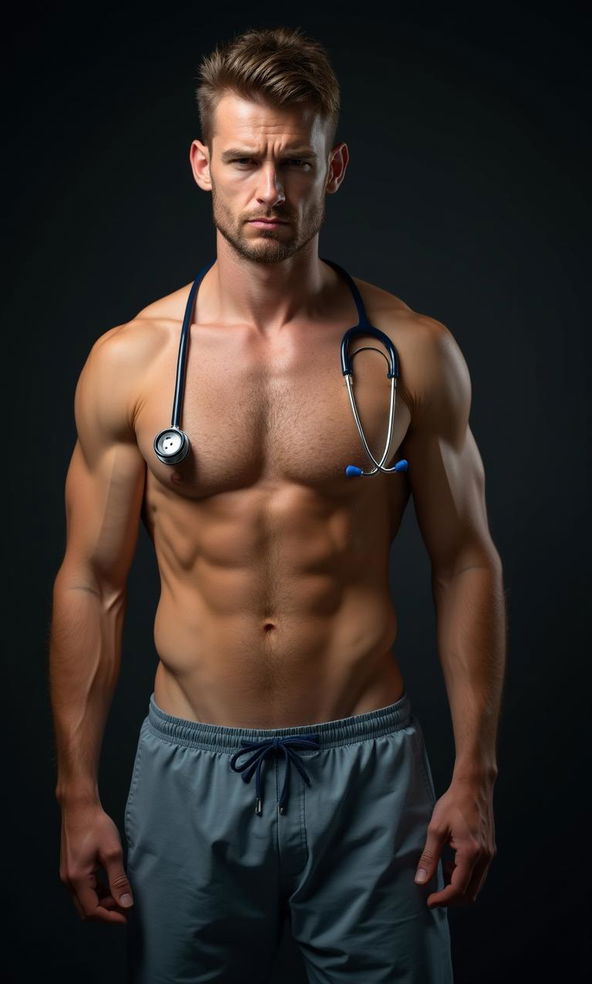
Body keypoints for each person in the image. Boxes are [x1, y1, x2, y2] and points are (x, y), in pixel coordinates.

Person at [49, 25, 506, 984]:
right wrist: (76, 794)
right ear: (201, 163)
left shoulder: (412, 352)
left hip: (370, 767)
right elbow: (93, 583)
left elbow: (466, 560)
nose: (271, 189)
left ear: (332, 168)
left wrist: (475, 775)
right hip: (187, 769)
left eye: (295, 163)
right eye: (247, 160)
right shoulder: (131, 362)